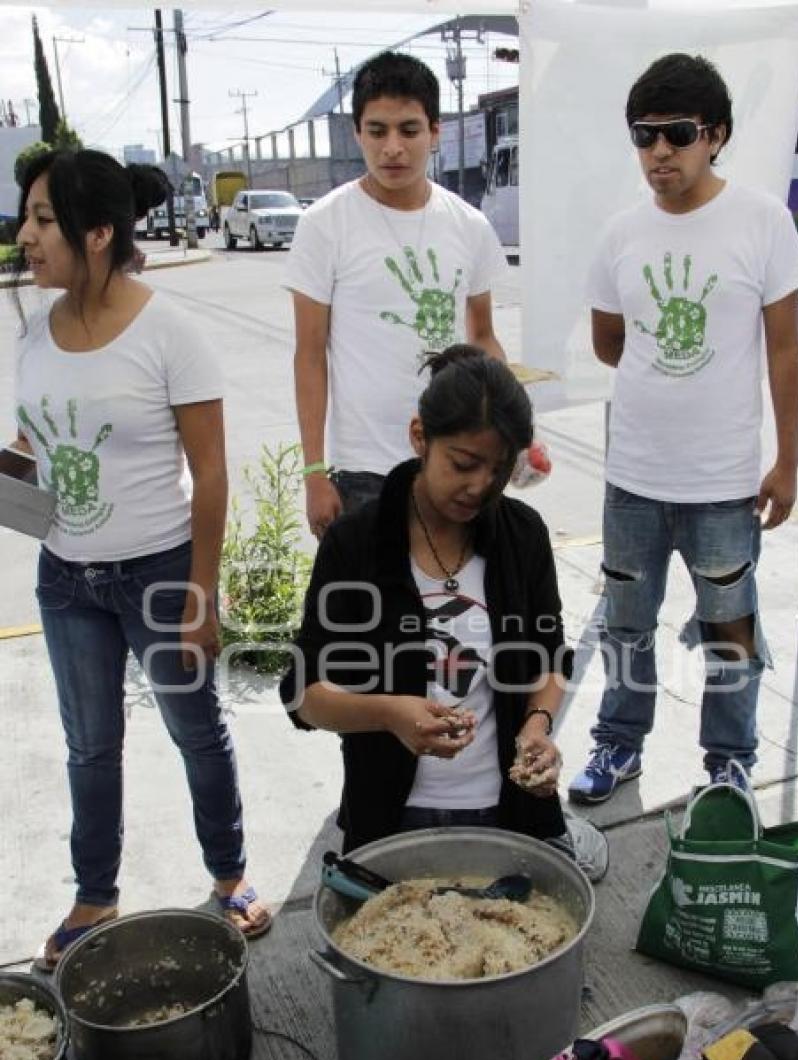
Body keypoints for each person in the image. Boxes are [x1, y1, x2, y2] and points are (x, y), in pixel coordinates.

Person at [13, 148, 272, 969]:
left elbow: (212, 468)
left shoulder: (170, 332)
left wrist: (203, 589)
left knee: (195, 730)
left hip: (158, 572)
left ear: (96, 234)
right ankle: (95, 892)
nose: (25, 235)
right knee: (88, 744)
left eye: (43, 220)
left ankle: (228, 873)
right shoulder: (30, 331)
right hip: (66, 578)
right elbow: (36, 449)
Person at [568, 54, 798, 805]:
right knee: (627, 628)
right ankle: (618, 746)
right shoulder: (620, 233)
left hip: (724, 483)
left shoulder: (763, 221)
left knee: (730, 631)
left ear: (717, 136)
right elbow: (610, 341)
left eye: (677, 133)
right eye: (645, 136)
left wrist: (788, 462)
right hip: (634, 479)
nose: (660, 152)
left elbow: (784, 351)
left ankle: (728, 762)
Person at [280, 346, 609, 882]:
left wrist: (538, 724)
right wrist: (389, 714)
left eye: (499, 469)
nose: (480, 485)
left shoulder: (522, 536)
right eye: (463, 463)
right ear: (419, 438)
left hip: (505, 814)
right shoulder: (356, 544)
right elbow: (303, 695)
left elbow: (549, 658)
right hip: (391, 818)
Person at [286, 51, 508, 537]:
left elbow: (484, 340)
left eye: (408, 130)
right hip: (362, 473)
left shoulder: (469, 226)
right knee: (366, 612)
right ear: (357, 132)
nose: (392, 148)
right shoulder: (324, 224)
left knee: (457, 609)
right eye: (377, 130)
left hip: (453, 462)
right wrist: (314, 473)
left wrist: (508, 434)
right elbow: (309, 355)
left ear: (435, 131)